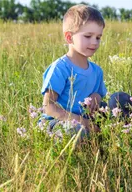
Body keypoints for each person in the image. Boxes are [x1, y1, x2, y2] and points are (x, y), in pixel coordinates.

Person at [41, 5, 107, 138]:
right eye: (88, 36)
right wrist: (82, 122)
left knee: (116, 109)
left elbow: (100, 95)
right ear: (69, 37)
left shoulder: (97, 71)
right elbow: (48, 106)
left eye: (98, 37)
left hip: (87, 119)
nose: (94, 42)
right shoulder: (60, 68)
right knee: (76, 131)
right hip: (59, 121)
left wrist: (96, 96)